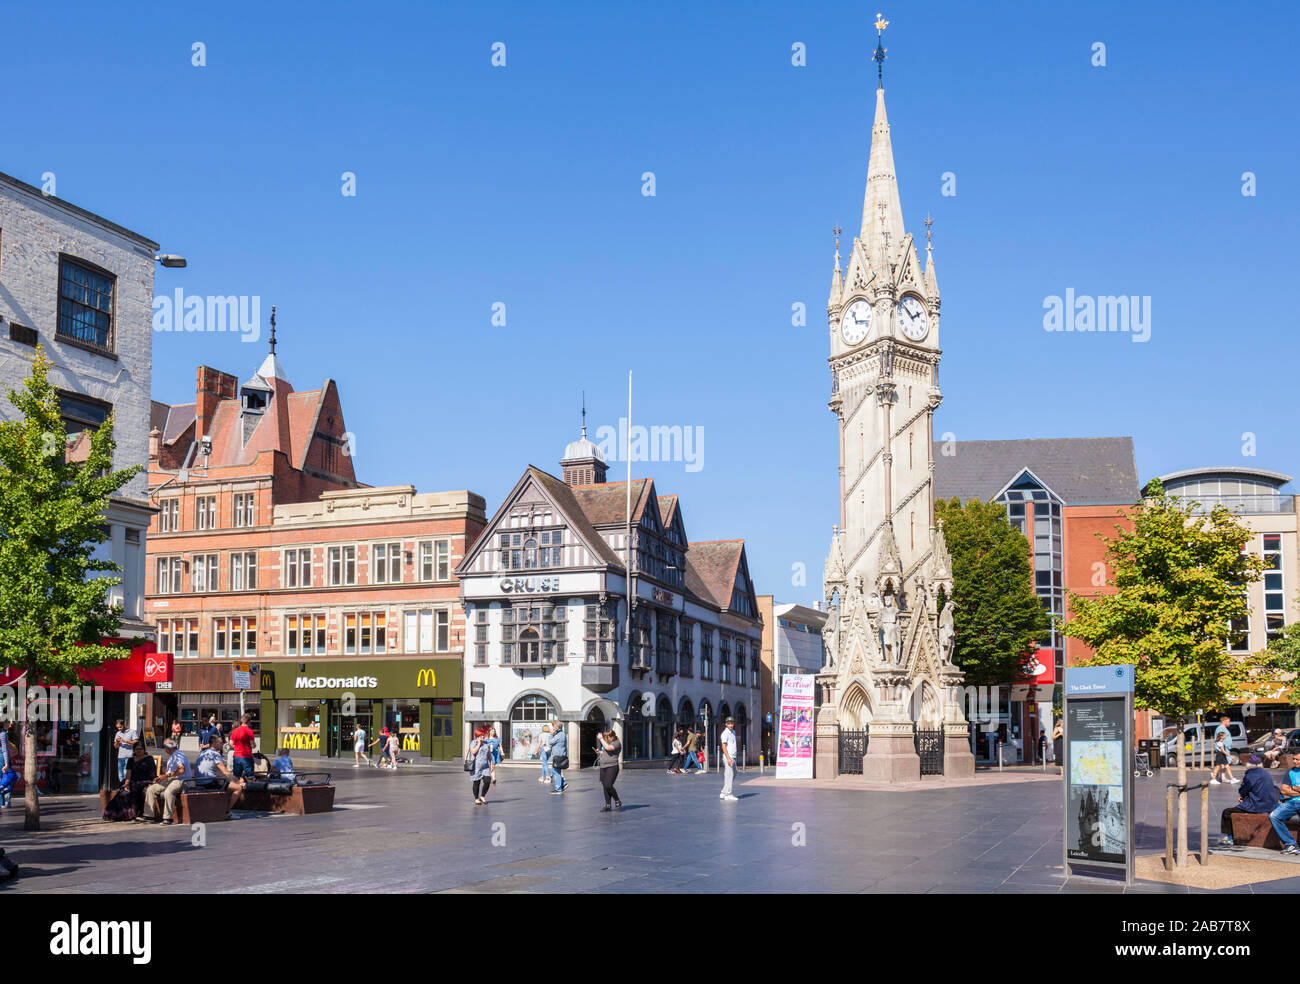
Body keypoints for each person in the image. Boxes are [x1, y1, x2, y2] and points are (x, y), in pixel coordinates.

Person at [1218, 754, 1277, 845]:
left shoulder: (1250, 774)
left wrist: (1243, 797)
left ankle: (1230, 837)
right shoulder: (1265, 773)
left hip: (1257, 806)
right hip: (1269, 804)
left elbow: (1243, 789)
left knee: (1227, 812)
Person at [141, 739, 191, 825]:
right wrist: (161, 777)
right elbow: (169, 772)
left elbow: (181, 770)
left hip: (180, 780)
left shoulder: (178, 755)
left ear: (167, 748)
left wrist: (166, 776)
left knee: (169, 791)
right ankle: (149, 816)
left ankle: (168, 818)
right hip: (170, 779)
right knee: (151, 789)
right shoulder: (173, 756)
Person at [104, 742, 157, 822]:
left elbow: (153, 773)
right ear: (134, 750)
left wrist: (151, 783)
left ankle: (131, 815)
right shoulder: (131, 760)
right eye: (137, 749)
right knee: (122, 792)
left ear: (144, 749)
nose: (139, 751)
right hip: (133, 781)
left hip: (145, 781)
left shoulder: (149, 759)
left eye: (140, 749)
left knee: (133, 792)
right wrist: (127, 784)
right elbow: (128, 775)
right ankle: (115, 815)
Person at [195, 734, 244, 815]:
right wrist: (239, 782)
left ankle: (222, 808)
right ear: (214, 743)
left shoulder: (203, 753)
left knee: (226, 782)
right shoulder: (215, 754)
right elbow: (225, 772)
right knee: (238, 788)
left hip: (199, 781)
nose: (222, 744)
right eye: (221, 742)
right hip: (208, 782)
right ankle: (226, 812)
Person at [1268, 746, 1300, 856]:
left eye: (1297, 759)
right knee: (1274, 816)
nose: (1295, 761)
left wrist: (1294, 788)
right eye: (1294, 759)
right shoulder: (1290, 772)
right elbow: (1284, 790)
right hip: (1292, 802)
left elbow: (1288, 789)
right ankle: (1291, 844)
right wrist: (1296, 790)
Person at [595, 730, 622, 812]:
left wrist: (601, 739)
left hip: (612, 766)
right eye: (605, 738)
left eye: (607, 738)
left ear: (612, 737)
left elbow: (608, 748)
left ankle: (617, 800)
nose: (605, 739)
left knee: (608, 785)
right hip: (603, 766)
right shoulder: (607, 742)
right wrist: (600, 752)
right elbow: (606, 751)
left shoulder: (617, 743)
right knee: (605, 786)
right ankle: (608, 805)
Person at [228, 714, 257, 781]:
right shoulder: (249, 731)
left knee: (236, 777)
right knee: (250, 777)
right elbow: (252, 745)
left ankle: (238, 790)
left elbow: (231, 743)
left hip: (237, 756)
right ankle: (249, 790)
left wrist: (237, 746)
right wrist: (254, 745)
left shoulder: (235, 731)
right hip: (246, 756)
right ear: (249, 721)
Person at [1210, 716, 1237, 785]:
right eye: (1228, 721)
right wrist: (1228, 754)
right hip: (1223, 749)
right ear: (1224, 721)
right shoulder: (1220, 729)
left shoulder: (1223, 728)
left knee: (1224, 764)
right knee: (1221, 765)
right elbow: (1219, 739)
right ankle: (1215, 776)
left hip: (1225, 748)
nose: (1229, 723)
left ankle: (1222, 777)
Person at [469, 727, 493, 805]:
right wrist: (479, 744)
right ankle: (476, 798)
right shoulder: (473, 742)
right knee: (477, 783)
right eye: (481, 735)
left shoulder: (486, 744)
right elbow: (473, 752)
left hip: (485, 766)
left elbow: (489, 754)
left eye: (483, 735)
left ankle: (482, 796)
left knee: (487, 781)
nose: (483, 737)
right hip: (476, 767)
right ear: (477, 736)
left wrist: (492, 763)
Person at [112, 718, 138, 786]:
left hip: (129, 755)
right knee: (120, 774)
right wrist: (117, 742)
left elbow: (136, 741)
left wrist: (125, 741)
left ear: (124, 725)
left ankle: (126, 786)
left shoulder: (132, 731)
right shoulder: (118, 733)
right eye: (118, 727)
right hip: (120, 756)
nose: (119, 729)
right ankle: (122, 786)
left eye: (120, 727)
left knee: (126, 772)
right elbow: (115, 746)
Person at [719, 717, 738, 802]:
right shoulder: (725, 734)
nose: (731, 725)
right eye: (729, 723)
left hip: (733, 757)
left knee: (732, 774)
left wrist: (734, 757)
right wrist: (728, 758)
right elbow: (723, 746)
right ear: (726, 724)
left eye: (732, 723)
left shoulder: (733, 732)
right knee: (730, 775)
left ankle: (723, 792)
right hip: (728, 757)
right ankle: (728, 794)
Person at [548, 722, 569, 794]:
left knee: (556, 772)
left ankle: (558, 789)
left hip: (558, 756)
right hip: (559, 755)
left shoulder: (560, 735)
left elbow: (550, 742)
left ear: (557, 727)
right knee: (555, 771)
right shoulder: (561, 734)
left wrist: (551, 734)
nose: (553, 728)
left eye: (554, 727)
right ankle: (563, 784)